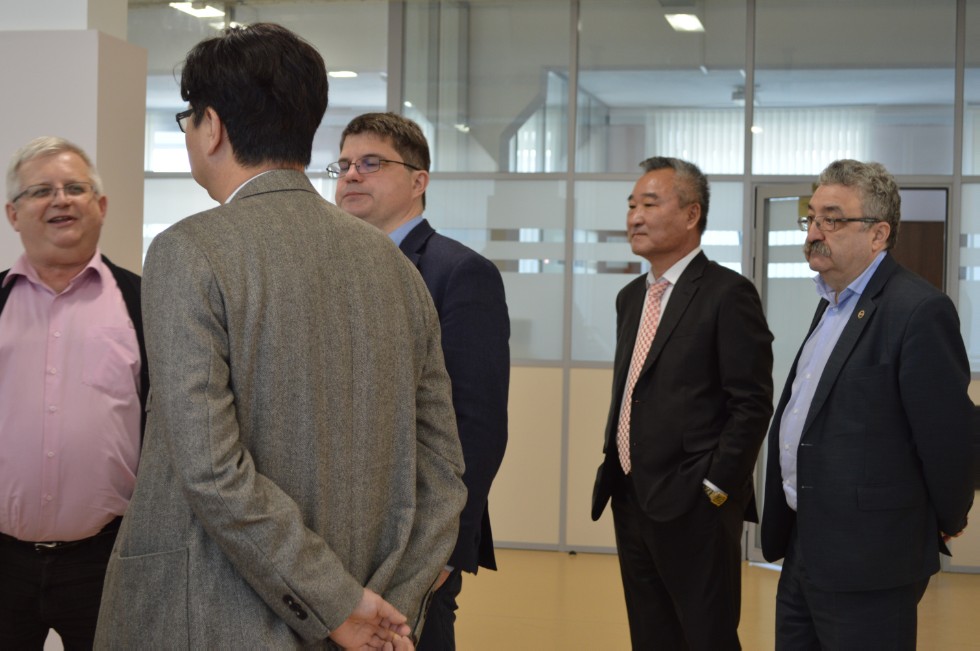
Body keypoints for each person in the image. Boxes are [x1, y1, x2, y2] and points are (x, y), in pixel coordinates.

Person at [94, 24, 466, 650]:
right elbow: (443, 471)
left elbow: (213, 472)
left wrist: (338, 604)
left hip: (215, 619)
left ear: (212, 127)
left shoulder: (189, 251)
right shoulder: (394, 265)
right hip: (365, 611)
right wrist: (384, 610)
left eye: (188, 118)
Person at [761, 159, 975, 650]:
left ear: (878, 234)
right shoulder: (831, 302)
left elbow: (948, 437)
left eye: (833, 220)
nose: (815, 232)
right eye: (812, 218)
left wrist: (947, 518)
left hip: (870, 558)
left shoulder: (918, 310)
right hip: (804, 542)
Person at [332, 112, 510, 650]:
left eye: (371, 163)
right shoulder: (329, 268)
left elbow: (476, 423)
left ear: (418, 181)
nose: (351, 175)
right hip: (333, 532)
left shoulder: (459, 272)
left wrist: (445, 549)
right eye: (343, 164)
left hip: (417, 537)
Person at [591, 156, 774, 650]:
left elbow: (752, 403)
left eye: (650, 204)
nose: (635, 217)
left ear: (692, 214)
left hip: (696, 502)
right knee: (651, 635)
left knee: (706, 636)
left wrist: (716, 487)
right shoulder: (632, 296)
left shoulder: (727, 294)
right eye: (631, 205)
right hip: (630, 496)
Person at [0, 136, 147, 649]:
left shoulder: (144, 303)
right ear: (13, 214)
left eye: (75, 188)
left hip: (107, 561)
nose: (60, 200)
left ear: (101, 205)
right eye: (41, 191)